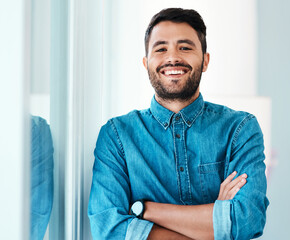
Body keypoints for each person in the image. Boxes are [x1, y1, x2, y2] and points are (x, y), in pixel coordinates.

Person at [88, 8, 269, 240]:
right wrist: (217, 217)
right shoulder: (117, 135)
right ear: (146, 63)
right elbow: (108, 230)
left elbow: (247, 220)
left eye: (185, 47)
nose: (172, 57)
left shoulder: (240, 128)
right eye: (161, 48)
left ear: (205, 60)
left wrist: (145, 210)